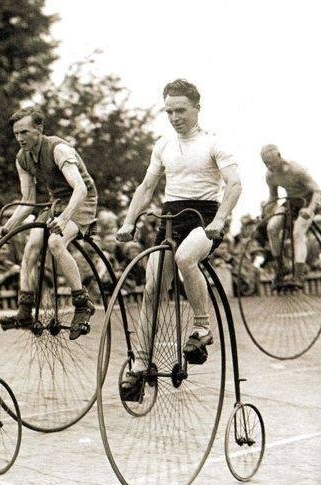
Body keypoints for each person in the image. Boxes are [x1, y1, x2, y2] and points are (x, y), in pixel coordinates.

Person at [116, 79, 242, 398]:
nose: (175, 117)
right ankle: (142, 364)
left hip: (205, 218)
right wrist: (128, 222)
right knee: (152, 284)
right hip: (171, 218)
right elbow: (146, 188)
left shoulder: (214, 144)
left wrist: (221, 219)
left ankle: (202, 327)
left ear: (197, 108)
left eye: (181, 110)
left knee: (186, 257)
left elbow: (235, 184)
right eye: (169, 111)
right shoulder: (163, 145)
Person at [0, 106, 98, 340]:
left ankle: (82, 303)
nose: (20, 138)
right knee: (31, 246)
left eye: (25, 132)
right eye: (16, 134)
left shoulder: (58, 149)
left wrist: (64, 218)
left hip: (82, 201)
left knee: (56, 242)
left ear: (39, 129)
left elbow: (80, 188)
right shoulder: (22, 159)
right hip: (56, 203)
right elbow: (28, 201)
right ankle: (25, 309)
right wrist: (7, 227)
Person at [260, 144, 321, 288]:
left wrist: (310, 209)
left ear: (279, 156)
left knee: (298, 232)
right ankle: (282, 268)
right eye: (265, 163)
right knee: (272, 227)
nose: (269, 166)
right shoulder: (270, 175)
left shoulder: (296, 170)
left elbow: (317, 191)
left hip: (308, 201)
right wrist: (268, 209)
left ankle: (299, 276)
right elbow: (273, 196)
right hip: (291, 203)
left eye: (271, 162)